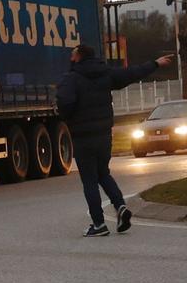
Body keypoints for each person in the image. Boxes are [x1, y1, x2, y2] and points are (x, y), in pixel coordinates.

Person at [56, 45, 175, 237]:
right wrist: (155, 64)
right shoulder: (106, 74)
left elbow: (65, 103)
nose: (70, 57)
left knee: (90, 182)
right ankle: (120, 206)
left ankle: (98, 224)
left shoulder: (72, 79)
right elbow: (131, 73)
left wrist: (66, 117)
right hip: (104, 136)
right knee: (103, 173)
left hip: (82, 137)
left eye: (72, 54)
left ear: (78, 57)